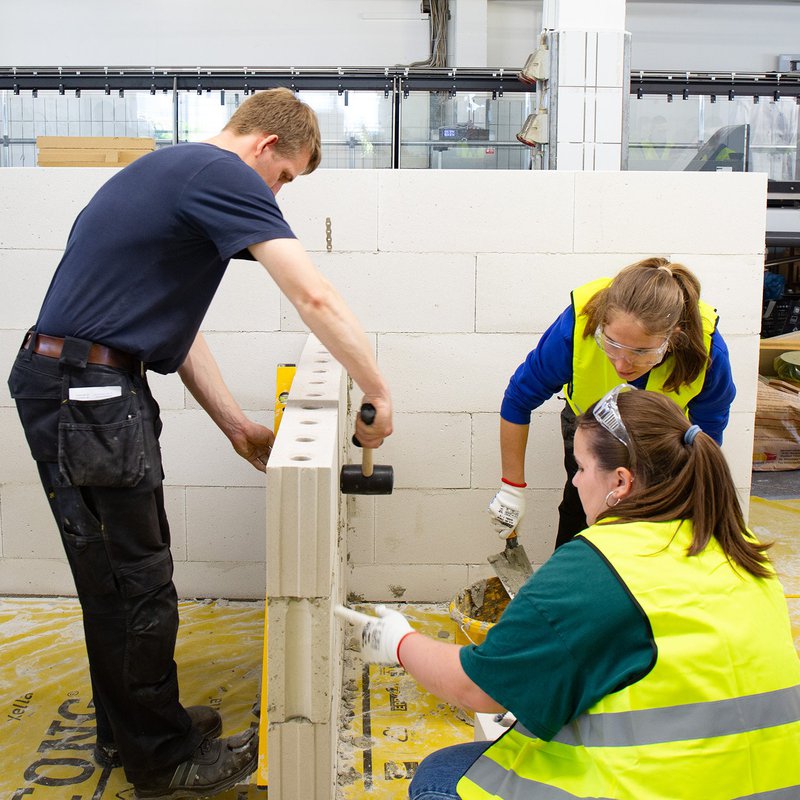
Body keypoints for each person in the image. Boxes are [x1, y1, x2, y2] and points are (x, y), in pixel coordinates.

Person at [8, 88, 392, 800]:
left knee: (114, 582)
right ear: (266, 147)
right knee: (138, 585)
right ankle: (163, 760)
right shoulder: (222, 175)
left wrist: (237, 426)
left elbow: (177, 333)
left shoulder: (171, 174)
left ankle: (130, 731)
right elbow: (313, 296)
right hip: (85, 393)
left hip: (75, 386)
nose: (278, 196)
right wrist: (378, 391)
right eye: (285, 178)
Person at [338, 386, 800, 800]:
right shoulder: (741, 552)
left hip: (656, 786)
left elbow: (478, 688)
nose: (575, 481)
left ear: (620, 481)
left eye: (580, 468)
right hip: (770, 783)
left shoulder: (599, 567)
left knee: (442, 776)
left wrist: (400, 642)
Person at [487, 256, 735, 550]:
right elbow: (518, 399)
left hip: (658, 440)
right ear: (601, 322)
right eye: (612, 344)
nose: (622, 363)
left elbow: (707, 434)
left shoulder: (707, 352)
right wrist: (511, 488)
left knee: (648, 524)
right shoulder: (577, 325)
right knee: (581, 511)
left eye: (642, 352)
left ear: (673, 339)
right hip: (588, 427)